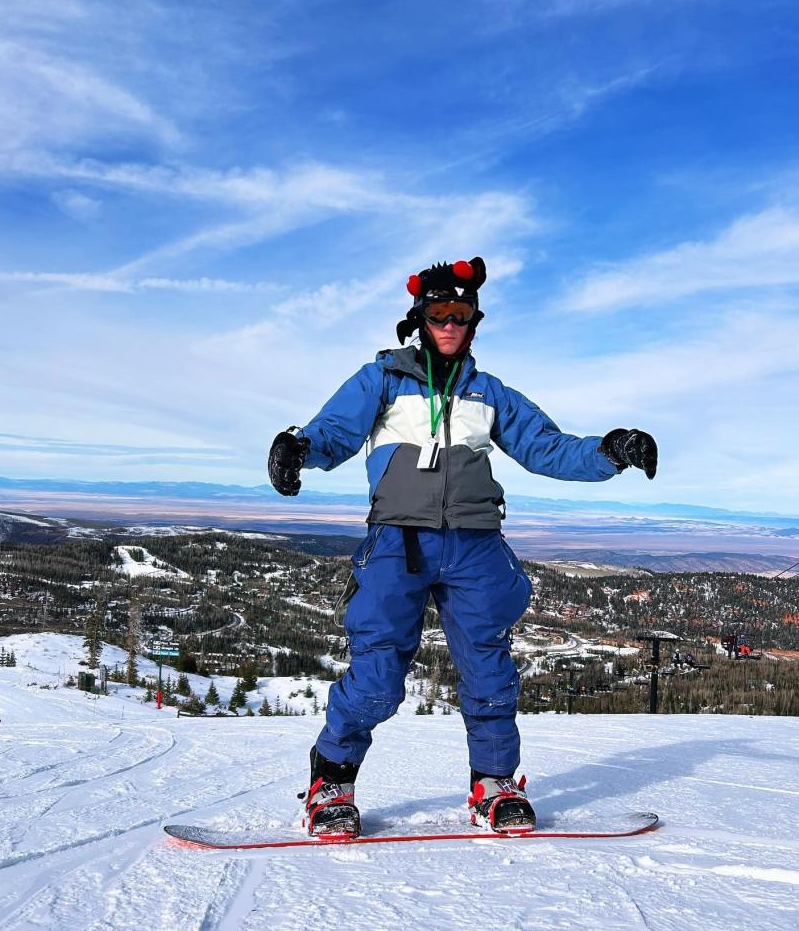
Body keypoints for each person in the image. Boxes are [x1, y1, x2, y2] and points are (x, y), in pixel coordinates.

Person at [268, 257, 657, 837]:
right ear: (420, 318)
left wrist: (609, 451)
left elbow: (546, 448)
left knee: (489, 670)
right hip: (399, 540)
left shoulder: (489, 392)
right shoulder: (383, 379)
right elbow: (336, 431)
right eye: (438, 313)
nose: (449, 324)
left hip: (476, 545)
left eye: (461, 314)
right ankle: (332, 783)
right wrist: (301, 450)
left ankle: (495, 786)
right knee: (377, 676)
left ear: (473, 320)